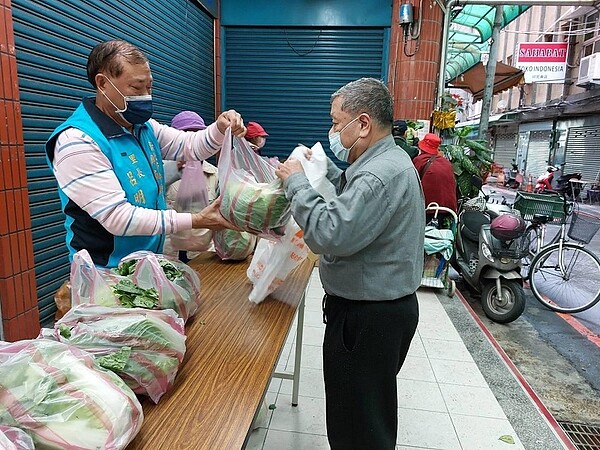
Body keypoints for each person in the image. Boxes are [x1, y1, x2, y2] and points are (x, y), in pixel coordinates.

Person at [275, 77, 424, 450]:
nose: (332, 132)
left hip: (367, 319)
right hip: (379, 312)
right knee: (365, 414)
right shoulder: (386, 160)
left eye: (336, 122)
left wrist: (297, 183)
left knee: (358, 427)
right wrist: (324, 174)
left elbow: (329, 233)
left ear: (362, 124)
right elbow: (355, 204)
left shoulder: (377, 175)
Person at [45, 39, 245, 268]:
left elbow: (191, 147)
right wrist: (197, 220)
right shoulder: (77, 142)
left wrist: (220, 127)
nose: (146, 96)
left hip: (147, 265)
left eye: (149, 87)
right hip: (107, 274)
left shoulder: (143, 127)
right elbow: (118, 218)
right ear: (102, 84)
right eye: (137, 88)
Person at [163, 111, 219, 262]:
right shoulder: (161, 171)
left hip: (202, 253)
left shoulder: (214, 174)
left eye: (197, 134)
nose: (192, 141)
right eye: (187, 135)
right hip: (169, 253)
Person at [413, 132, 458, 221]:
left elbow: (413, 182)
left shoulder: (419, 160)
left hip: (429, 207)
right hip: (449, 208)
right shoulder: (446, 162)